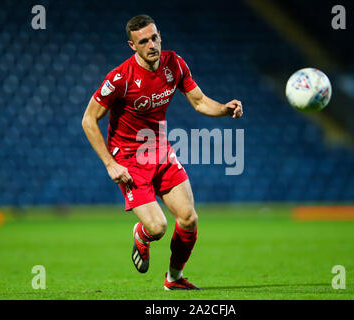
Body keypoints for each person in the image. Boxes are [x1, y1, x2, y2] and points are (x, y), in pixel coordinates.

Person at [82, 14, 243, 290]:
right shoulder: (120, 78)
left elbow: (200, 101)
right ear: (132, 45)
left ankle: (174, 277)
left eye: (154, 37)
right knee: (158, 228)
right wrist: (110, 164)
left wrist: (224, 110)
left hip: (160, 151)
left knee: (189, 218)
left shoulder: (174, 64)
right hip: (130, 161)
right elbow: (88, 119)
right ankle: (142, 235)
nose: (151, 44)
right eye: (143, 41)